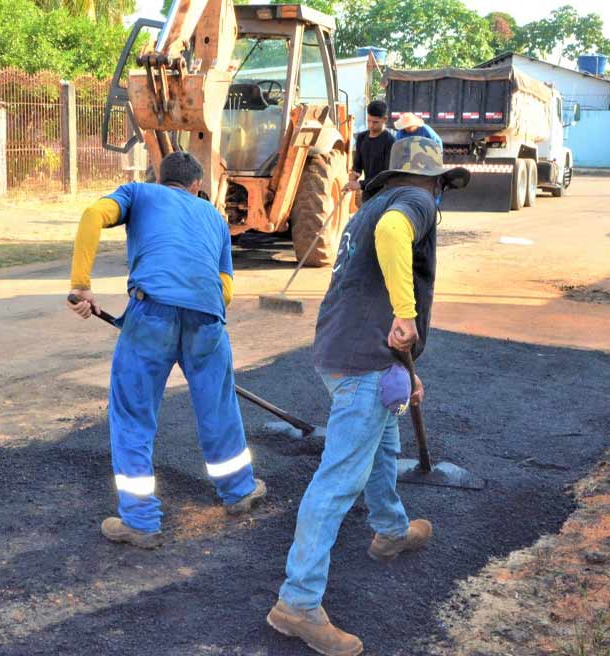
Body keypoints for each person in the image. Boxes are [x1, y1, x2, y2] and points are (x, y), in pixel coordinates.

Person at [265, 137, 470, 656]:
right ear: (432, 181)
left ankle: (390, 530)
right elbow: (395, 233)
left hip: (345, 353)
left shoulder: (367, 207)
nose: (439, 195)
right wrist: (406, 313)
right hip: (363, 363)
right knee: (337, 481)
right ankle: (298, 602)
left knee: (384, 441)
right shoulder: (414, 203)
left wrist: (405, 369)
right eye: (441, 185)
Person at [67, 151, 267, 549]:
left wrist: (81, 284)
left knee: (133, 416)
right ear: (197, 187)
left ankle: (140, 521)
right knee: (219, 408)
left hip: (151, 314)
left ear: (162, 179)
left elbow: (92, 216)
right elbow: (225, 287)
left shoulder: (139, 194)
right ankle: (238, 492)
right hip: (207, 319)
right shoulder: (214, 218)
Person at [346, 100, 396, 200]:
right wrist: (353, 177)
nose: (371, 125)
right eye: (368, 121)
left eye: (375, 122)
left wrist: (360, 184)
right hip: (367, 194)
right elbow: (357, 166)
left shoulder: (390, 141)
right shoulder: (361, 138)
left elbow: (386, 175)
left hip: (384, 196)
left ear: (385, 119)